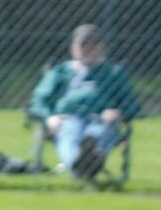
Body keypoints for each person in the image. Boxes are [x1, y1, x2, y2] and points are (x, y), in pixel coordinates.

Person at [29, 23, 140, 180]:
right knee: (70, 133)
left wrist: (118, 114)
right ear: (73, 48)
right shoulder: (60, 72)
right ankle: (81, 164)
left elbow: (132, 105)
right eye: (83, 45)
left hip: (100, 119)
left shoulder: (114, 73)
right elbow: (38, 100)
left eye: (92, 45)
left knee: (98, 134)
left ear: (101, 48)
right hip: (67, 119)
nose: (87, 50)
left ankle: (88, 157)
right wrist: (49, 118)